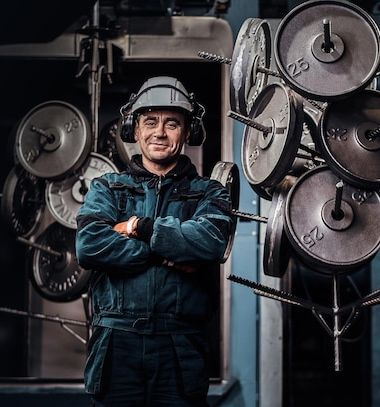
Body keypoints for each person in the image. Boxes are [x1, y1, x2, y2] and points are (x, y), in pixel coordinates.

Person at [75, 75, 234, 406]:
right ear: (135, 130)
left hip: (179, 349)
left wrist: (140, 228)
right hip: (116, 344)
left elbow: (210, 244)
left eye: (172, 123)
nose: (159, 133)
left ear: (188, 132)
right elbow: (89, 246)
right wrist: (170, 251)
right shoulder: (108, 188)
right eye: (150, 122)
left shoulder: (210, 193)